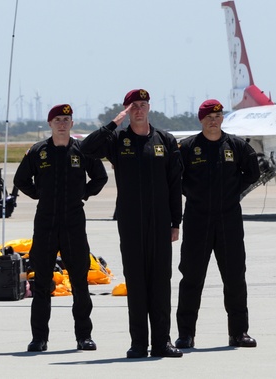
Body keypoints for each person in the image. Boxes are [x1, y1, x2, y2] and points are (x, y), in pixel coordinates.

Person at [80, 89, 183, 358]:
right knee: (136, 282)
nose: (139, 110)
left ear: (149, 108)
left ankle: (162, 342)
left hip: (160, 221)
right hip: (130, 221)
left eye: (143, 105)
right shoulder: (117, 139)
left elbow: (175, 184)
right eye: (133, 106)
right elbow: (86, 149)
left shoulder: (165, 140)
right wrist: (114, 123)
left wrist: (176, 222)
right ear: (126, 110)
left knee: (161, 282)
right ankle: (139, 342)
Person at [14, 103, 108, 353]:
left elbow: (101, 177)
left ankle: (84, 336)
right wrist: (40, 195)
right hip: (45, 222)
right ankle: (39, 338)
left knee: (79, 282)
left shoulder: (83, 150)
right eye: (57, 119)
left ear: (72, 124)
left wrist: (83, 194)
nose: (62, 123)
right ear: (50, 124)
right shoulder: (37, 152)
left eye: (66, 119)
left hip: (73, 222)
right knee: (42, 282)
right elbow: (20, 180)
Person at [174, 99, 260, 350]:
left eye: (218, 115)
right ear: (201, 120)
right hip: (197, 218)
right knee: (191, 277)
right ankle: (186, 334)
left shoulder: (236, 146)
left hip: (228, 219)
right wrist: (193, 193)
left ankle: (239, 332)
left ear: (223, 118)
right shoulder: (188, 147)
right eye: (209, 116)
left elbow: (252, 173)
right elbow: (176, 177)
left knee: (235, 277)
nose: (213, 120)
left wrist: (233, 192)